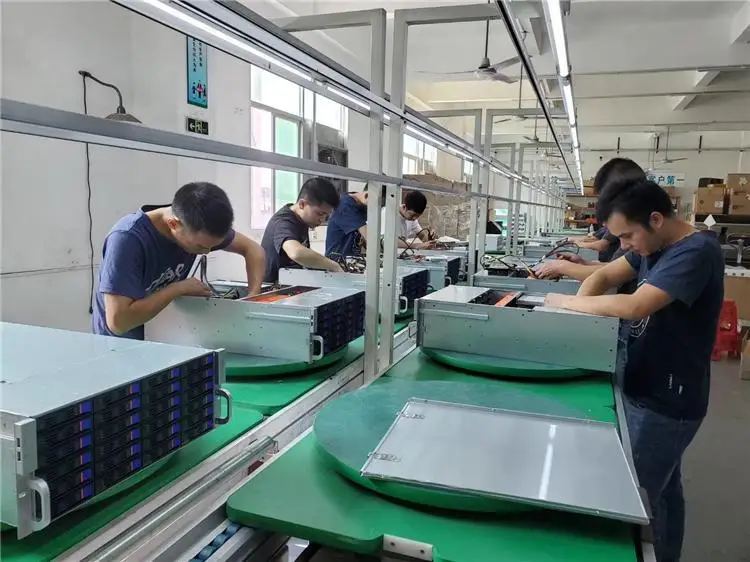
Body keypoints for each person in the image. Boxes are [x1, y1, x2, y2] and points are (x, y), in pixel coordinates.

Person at [544, 178, 724, 562]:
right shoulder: (653, 244)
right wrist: (579, 323)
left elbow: (635, 306)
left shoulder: (694, 252)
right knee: (665, 491)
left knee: (635, 500)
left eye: (627, 236)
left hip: (668, 400)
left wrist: (563, 304)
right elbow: (604, 275)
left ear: (655, 219)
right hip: (644, 382)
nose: (623, 245)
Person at [93, 182, 265, 340]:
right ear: (174, 224)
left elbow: (254, 250)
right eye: (200, 247)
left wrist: (253, 297)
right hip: (121, 346)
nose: (206, 252)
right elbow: (118, 323)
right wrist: (178, 288)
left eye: (211, 247)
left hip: (160, 336)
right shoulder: (128, 239)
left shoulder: (198, 227)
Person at [535, 158, 646, 281]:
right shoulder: (637, 241)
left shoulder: (640, 239)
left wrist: (564, 267)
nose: (624, 245)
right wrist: (582, 263)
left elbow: (609, 273)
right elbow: (613, 268)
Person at [262, 177, 344, 283]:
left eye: (326, 216)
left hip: (291, 283)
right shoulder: (284, 221)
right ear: (302, 204)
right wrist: (333, 266)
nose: (322, 220)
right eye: (320, 214)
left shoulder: (302, 220)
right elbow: (296, 252)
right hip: (272, 287)